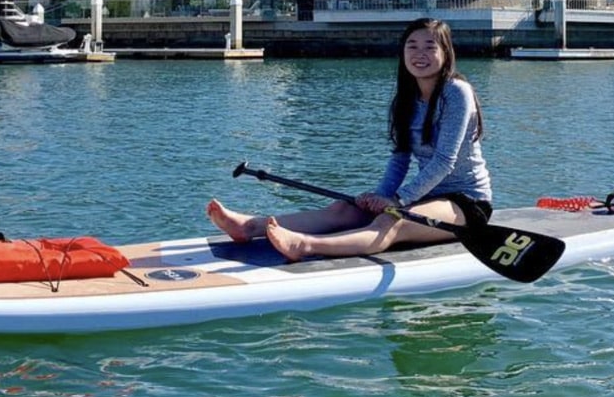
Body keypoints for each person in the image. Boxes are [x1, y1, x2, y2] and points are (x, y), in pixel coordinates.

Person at [206, 17, 492, 261]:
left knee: (392, 221)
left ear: (446, 53)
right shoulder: (405, 100)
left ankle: (305, 245)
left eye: (430, 47)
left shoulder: (457, 92)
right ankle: (250, 227)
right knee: (343, 209)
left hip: (466, 203)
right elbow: (400, 158)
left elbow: (444, 162)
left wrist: (397, 200)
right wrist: (379, 196)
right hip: (426, 195)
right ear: (402, 53)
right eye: (412, 46)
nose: (420, 54)